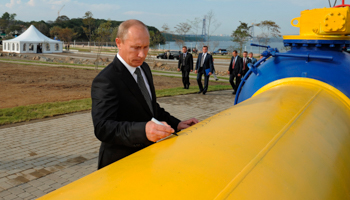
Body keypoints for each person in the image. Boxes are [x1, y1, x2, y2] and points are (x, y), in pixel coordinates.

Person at [91, 19, 199, 169]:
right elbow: (103, 128)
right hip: (120, 164)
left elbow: (150, 107)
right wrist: (143, 131)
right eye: (135, 48)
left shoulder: (144, 69)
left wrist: (177, 124)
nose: (142, 54)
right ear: (119, 43)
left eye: (146, 47)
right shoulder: (106, 80)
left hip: (148, 158)